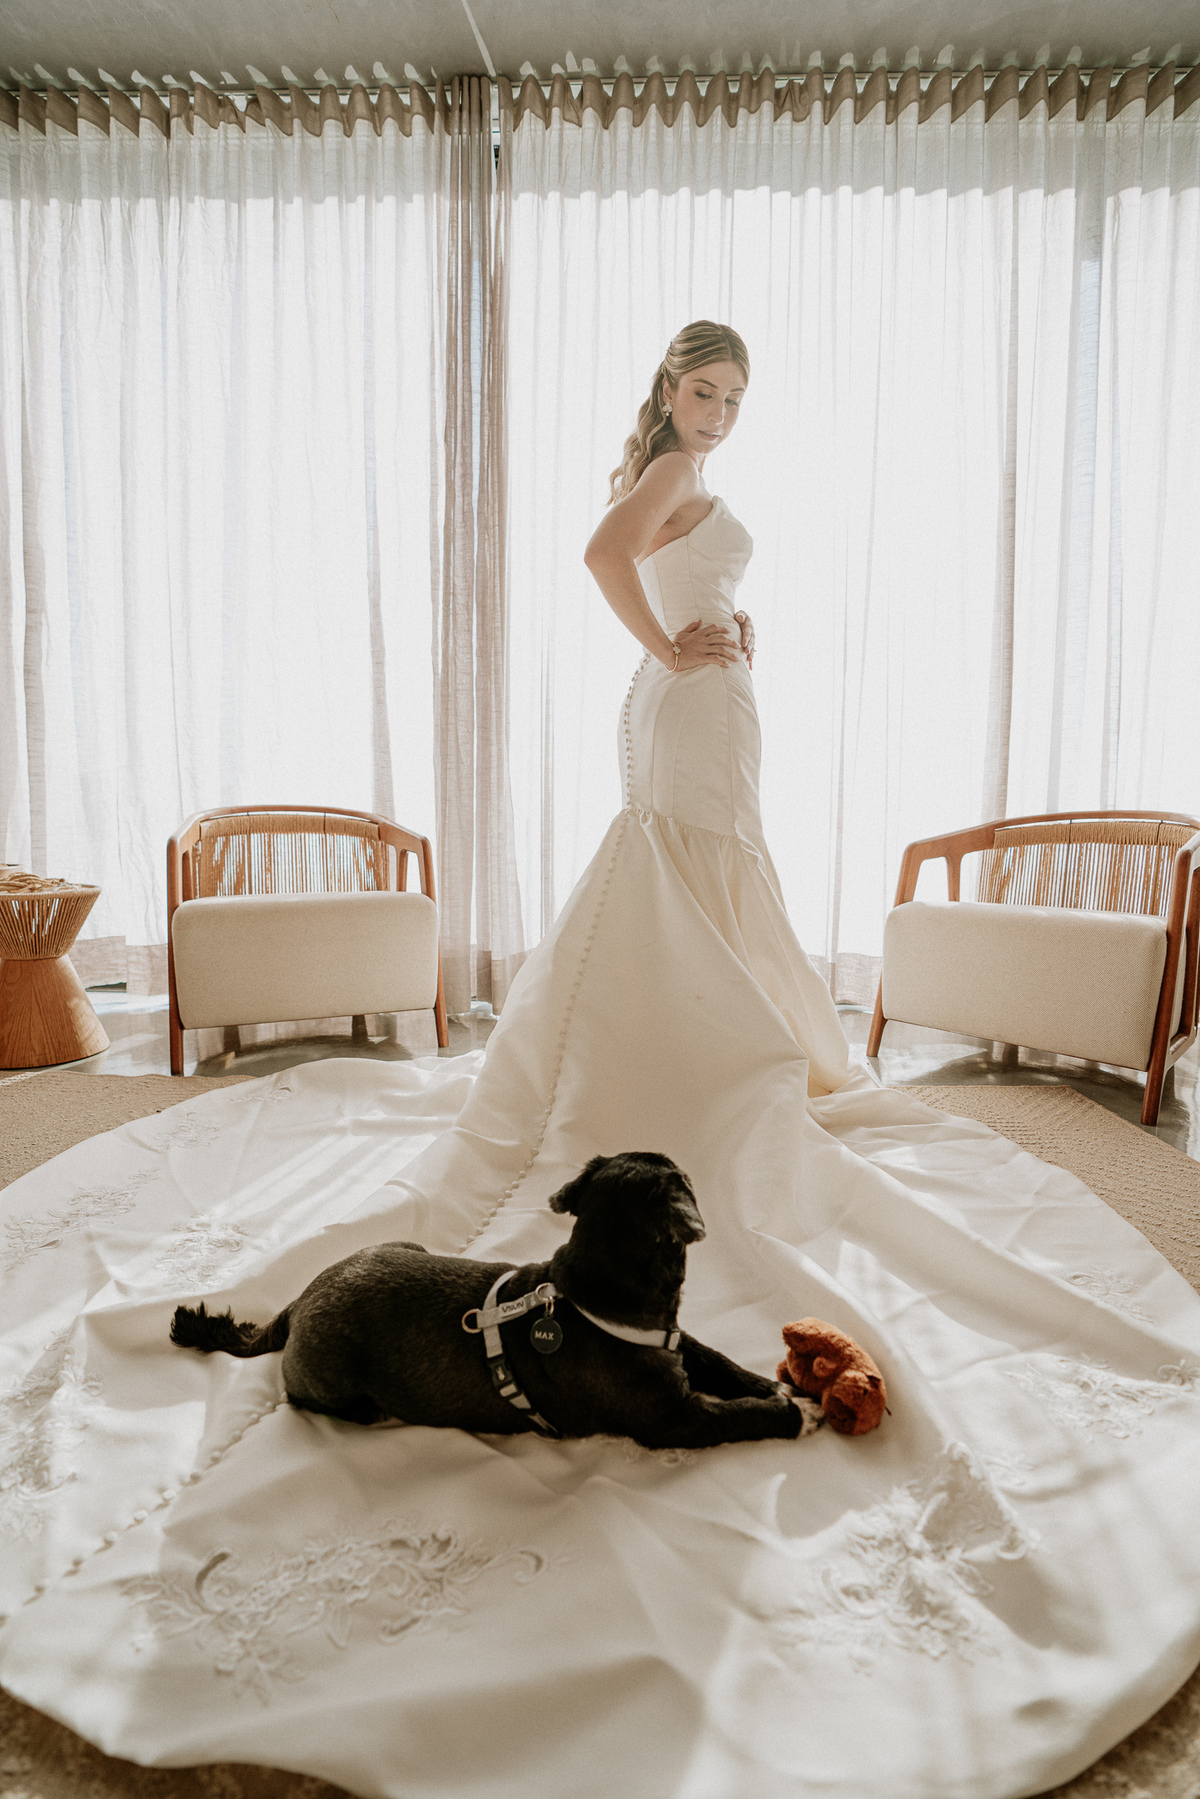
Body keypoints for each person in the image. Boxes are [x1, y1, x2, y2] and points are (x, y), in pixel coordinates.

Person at [1, 323, 1199, 1799]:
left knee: (712, 873)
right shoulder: (670, 470)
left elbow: (654, 565)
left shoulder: (681, 472)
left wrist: (713, 637)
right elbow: (599, 557)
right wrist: (674, 648)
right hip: (686, 709)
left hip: (699, 708)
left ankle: (731, 1038)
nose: (721, 414)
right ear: (671, 391)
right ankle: (700, 1057)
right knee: (688, 868)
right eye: (706, 391)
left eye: (737, 398)